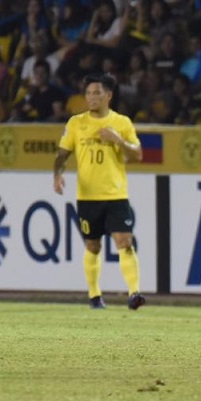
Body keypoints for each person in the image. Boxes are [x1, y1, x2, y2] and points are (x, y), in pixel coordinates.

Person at [52, 73, 147, 311]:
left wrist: (118, 140)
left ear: (109, 95)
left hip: (115, 194)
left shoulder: (122, 122)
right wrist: (57, 174)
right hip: (88, 197)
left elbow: (138, 154)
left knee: (124, 241)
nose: (91, 97)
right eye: (88, 93)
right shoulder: (76, 123)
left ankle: (134, 293)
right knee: (93, 246)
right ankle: (95, 295)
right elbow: (63, 154)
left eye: (97, 93)